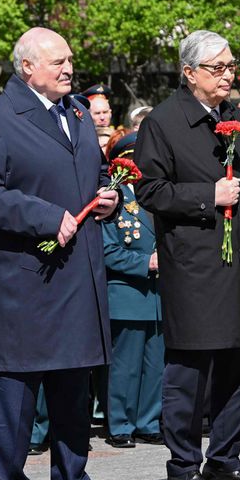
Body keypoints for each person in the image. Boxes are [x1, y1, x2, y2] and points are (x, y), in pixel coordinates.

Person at [0, 27, 124, 480]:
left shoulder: (74, 114)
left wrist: (105, 197)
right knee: (16, 397)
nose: (68, 68)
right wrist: (44, 216)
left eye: (70, 59)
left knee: (75, 392)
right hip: (25, 282)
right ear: (27, 67)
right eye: (57, 62)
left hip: (77, 277)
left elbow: (85, 177)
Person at [136, 29, 240, 480]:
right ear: (189, 73)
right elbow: (148, 190)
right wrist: (206, 196)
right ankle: (183, 464)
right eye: (217, 68)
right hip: (194, 263)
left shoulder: (237, 118)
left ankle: (225, 459)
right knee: (191, 370)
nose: (228, 75)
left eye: (231, 67)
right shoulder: (164, 122)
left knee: (238, 366)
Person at [99, 132, 165, 450]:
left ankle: (148, 421)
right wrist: (146, 262)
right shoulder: (114, 198)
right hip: (128, 292)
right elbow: (107, 250)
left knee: (155, 363)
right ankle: (121, 423)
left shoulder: (159, 195)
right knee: (125, 366)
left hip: (160, 295)